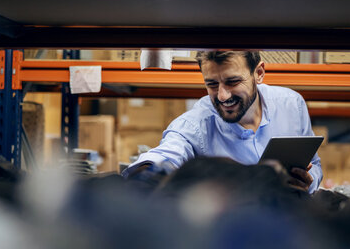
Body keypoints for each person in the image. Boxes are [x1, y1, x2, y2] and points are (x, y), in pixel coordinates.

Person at [122, 51, 322, 193]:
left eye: (232, 82)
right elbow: (161, 159)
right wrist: (147, 174)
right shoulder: (195, 124)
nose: (223, 96)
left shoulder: (291, 105)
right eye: (212, 84)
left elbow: (314, 164)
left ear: (259, 73)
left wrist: (308, 183)